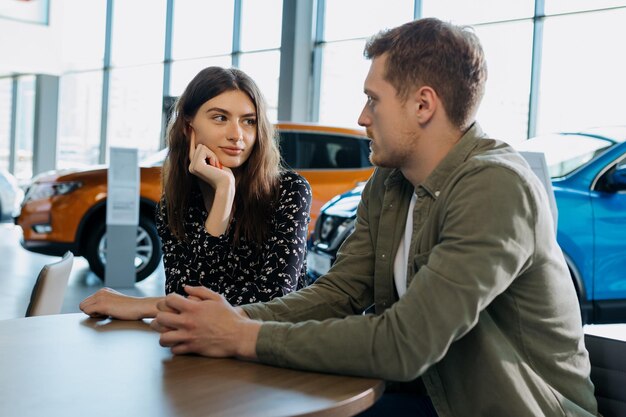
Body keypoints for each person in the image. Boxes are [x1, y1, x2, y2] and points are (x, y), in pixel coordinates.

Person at [150, 19, 598, 417]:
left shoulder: (496, 186)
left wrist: (242, 338)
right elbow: (340, 291)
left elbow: (405, 344)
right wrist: (231, 321)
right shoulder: (391, 181)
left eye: (372, 99)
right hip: (428, 395)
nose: (362, 117)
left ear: (423, 105)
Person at [80, 67, 311, 320]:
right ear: (188, 127)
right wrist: (224, 193)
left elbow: (273, 299)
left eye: (249, 121)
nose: (237, 135)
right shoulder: (176, 205)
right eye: (220, 118)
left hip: (272, 346)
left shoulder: (290, 190)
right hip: (204, 345)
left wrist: (143, 305)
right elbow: (183, 291)